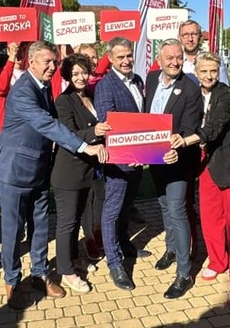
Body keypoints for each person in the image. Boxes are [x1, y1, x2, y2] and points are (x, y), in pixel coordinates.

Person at [0, 40, 108, 310]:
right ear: (31, 61)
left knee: (40, 226)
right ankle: (12, 281)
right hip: (15, 171)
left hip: (40, 169)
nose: (52, 66)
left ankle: (40, 274)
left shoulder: (43, 87)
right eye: (46, 61)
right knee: (13, 230)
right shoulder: (23, 91)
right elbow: (46, 124)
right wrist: (84, 146)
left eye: (54, 62)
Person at [170, 52, 230, 306]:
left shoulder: (225, 95)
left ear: (219, 72)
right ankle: (217, 261)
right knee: (210, 218)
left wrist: (184, 141)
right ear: (196, 72)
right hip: (204, 166)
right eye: (204, 71)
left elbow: (213, 128)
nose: (208, 76)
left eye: (213, 71)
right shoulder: (192, 93)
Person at [145, 39, 202, 299]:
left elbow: (189, 129)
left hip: (178, 160)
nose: (175, 62)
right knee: (164, 204)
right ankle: (171, 249)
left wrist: (176, 148)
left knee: (178, 209)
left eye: (179, 57)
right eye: (169, 57)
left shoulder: (190, 88)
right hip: (154, 158)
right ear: (159, 60)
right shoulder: (151, 79)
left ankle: (184, 272)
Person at [94, 37, 152, 292]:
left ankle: (125, 244)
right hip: (119, 161)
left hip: (139, 158)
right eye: (120, 57)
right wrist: (128, 148)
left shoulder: (137, 80)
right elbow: (107, 123)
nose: (126, 60)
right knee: (113, 211)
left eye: (129, 55)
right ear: (110, 59)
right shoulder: (105, 86)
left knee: (127, 206)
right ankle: (115, 263)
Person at [51, 53, 111, 293]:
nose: (80, 77)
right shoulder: (63, 101)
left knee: (78, 219)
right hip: (68, 171)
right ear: (67, 75)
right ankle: (66, 271)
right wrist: (94, 131)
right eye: (75, 73)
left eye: (84, 72)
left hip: (88, 170)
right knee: (67, 223)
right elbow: (68, 135)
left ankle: (75, 258)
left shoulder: (92, 95)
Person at [74, 43, 106, 259]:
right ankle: (89, 238)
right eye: (87, 57)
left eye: (95, 58)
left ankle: (98, 231)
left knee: (100, 195)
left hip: (100, 155)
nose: (92, 62)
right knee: (87, 198)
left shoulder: (95, 91)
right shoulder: (68, 96)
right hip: (82, 155)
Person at [0, 42, 26, 135]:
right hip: (8, 128)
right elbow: (1, 89)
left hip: (27, 128)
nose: (18, 52)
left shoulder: (31, 73)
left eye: (22, 49)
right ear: (8, 51)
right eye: (14, 49)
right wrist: (11, 59)